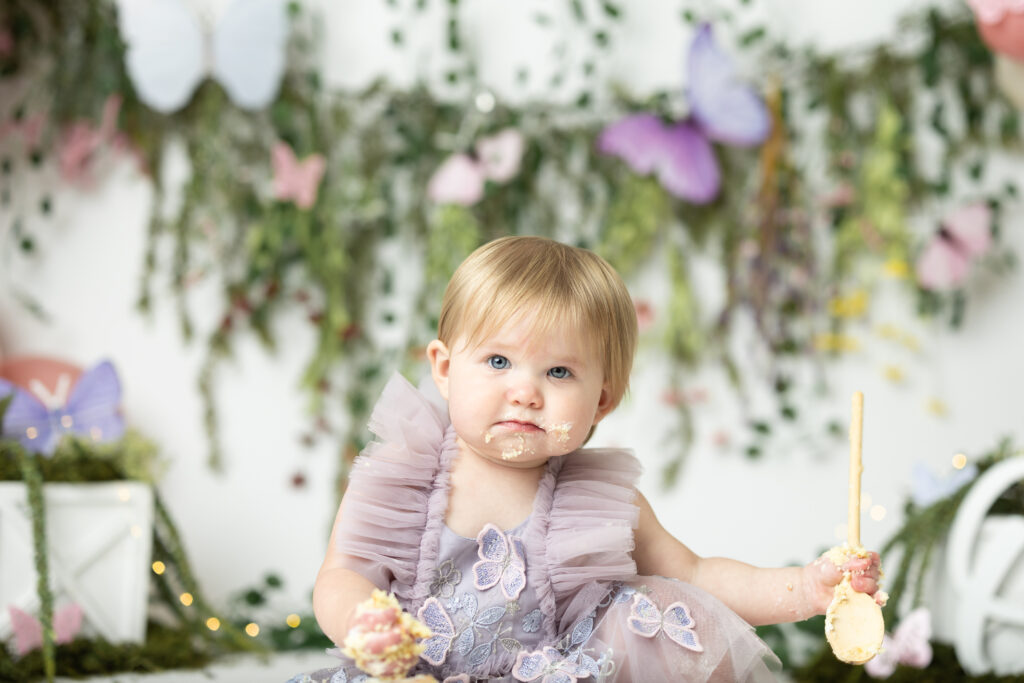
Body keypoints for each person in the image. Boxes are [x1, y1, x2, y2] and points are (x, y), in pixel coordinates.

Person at [295, 236, 882, 682]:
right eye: (498, 362)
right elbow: (340, 576)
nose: (525, 391)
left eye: (558, 371)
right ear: (445, 369)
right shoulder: (404, 477)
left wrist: (806, 589)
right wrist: (361, 624)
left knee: (657, 615)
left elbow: (697, 575)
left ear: (601, 400)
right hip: (411, 672)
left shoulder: (600, 502)